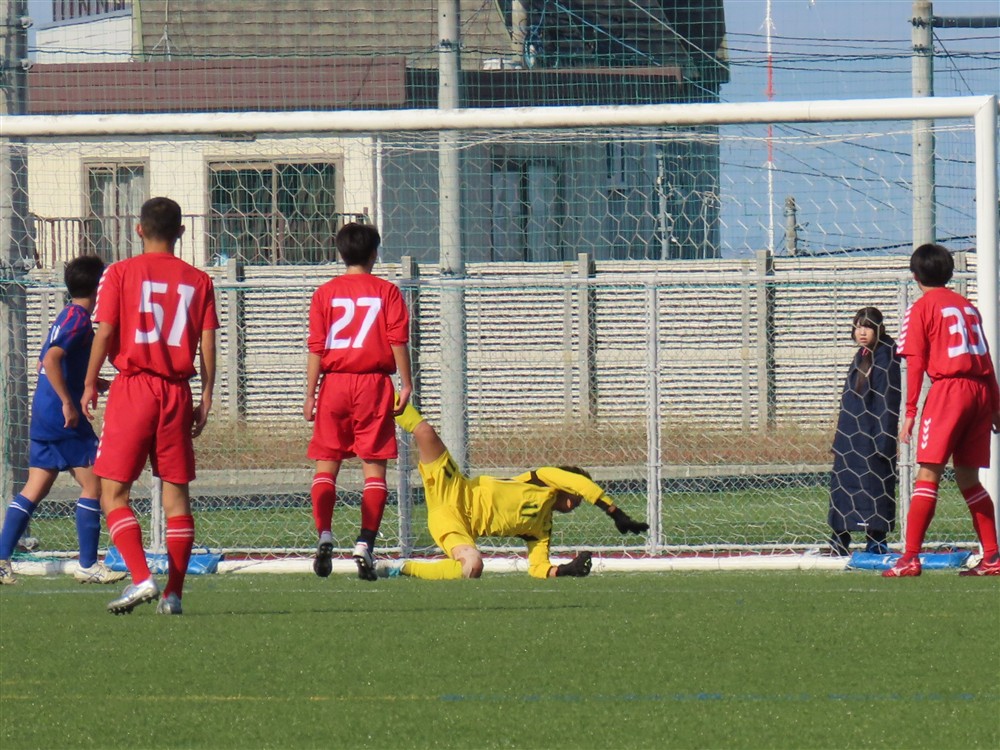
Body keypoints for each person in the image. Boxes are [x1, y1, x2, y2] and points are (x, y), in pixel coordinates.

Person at [82, 197, 219, 612]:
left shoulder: (120, 272)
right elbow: (208, 342)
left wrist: (89, 382)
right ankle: (174, 594)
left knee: (113, 492)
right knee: (176, 498)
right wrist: (206, 395)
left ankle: (142, 578)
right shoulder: (199, 280)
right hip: (177, 391)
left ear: (138, 229)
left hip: (134, 388)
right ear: (181, 232)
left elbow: (106, 331)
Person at [376, 401, 649, 580]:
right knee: (425, 431)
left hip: (454, 523)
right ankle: (380, 394)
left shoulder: (541, 527)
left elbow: (538, 567)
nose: (578, 500)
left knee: (472, 566)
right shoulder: (544, 479)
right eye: (577, 496)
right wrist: (615, 513)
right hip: (455, 488)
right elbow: (582, 485)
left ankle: (401, 568)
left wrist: (566, 569)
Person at [0, 256, 125, 586]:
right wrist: (69, 402)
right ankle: (87, 564)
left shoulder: (68, 315)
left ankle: (1, 559)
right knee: (95, 484)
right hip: (62, 416)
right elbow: (52, 359)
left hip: (45, 412)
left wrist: (91, 382)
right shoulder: (79, 320)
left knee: (35, 487)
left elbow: (52, 360)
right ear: (100, 288)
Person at [303, 222, 412, 582]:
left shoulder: (325, 293)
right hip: (372, 384)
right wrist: (405, 383)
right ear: (375, 254)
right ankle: (365, 543)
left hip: (334, 383)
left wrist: (310, 394)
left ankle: (324, 534)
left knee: (326, 466)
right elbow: (397, 339)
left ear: (340, 253)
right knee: (374, 469)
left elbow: (317, 347)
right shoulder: (387, 291)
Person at [883, 243, 1000, 577]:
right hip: (979, 391)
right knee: (969, 479)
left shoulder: (921, 307)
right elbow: (986, 358)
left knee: (927, 474)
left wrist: (909, 412)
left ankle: (909, 558)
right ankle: (992, 557)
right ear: (949, 273)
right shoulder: (968, 307)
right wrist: (995, 406)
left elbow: (916, 362)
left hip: (949, 391)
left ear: (915, 275)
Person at [827, 307, 901, 556]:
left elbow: (887, 401)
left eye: (867, 327)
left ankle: (876, 541)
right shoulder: (861, 355)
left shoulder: (886, 357)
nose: (862, 332)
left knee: (874, 489)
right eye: (858, 326)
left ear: (879, 329)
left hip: (871, 438)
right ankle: (839, 540)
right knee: (843, 489)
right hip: (850, 439)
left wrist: (884, 442)